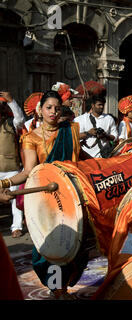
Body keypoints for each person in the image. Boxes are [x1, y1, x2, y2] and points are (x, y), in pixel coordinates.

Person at [0, 90, 88, 299]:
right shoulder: (32, 138)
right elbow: (29, 171)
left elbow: (83, 162)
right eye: (49, 107)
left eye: (57, 108)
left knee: (75, 247)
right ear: (40, 110)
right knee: (51, 249)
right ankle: (56, 288)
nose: (53, 112)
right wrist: (5, 182)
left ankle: (64, 288)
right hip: (46, 201)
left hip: (72, 196)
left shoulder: (71, 130)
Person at [0, 92, 25, 238]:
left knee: (14, 198)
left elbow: (20, 119)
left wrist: (11, 101)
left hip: (11, 170)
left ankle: (16, 227)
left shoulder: (10, 124)